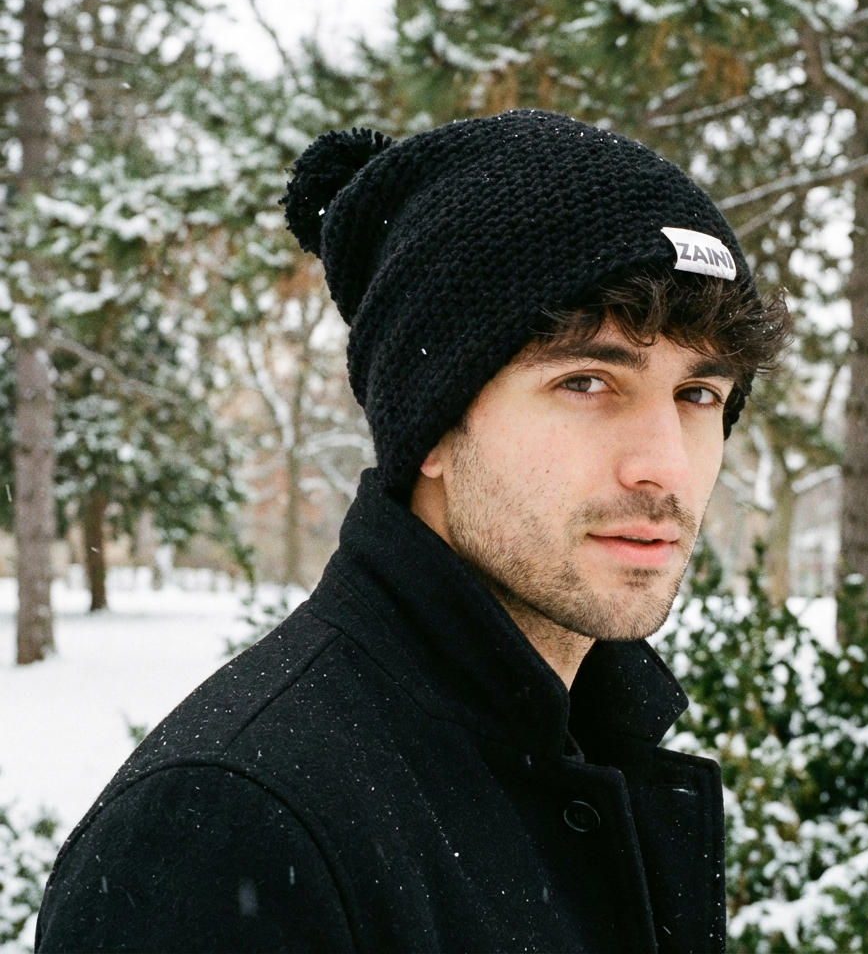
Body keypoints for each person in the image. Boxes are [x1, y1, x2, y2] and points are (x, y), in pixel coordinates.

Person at [36, 110, 790, 954]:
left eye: (698, 395)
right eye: (587, 381)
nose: (667, 469)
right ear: (428, 429)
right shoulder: (226, 825)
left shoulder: (590, 749)